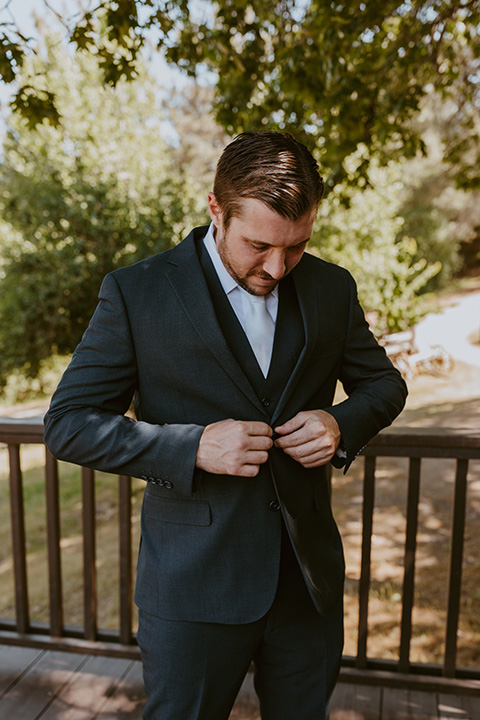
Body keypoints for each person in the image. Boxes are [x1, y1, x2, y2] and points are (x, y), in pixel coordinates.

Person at [44, 131, 407, 720]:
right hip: (192, 586)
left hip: (306, 585)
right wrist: (190, 447)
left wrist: (339, 422)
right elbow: (67, 424)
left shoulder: (331, 287)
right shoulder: (135, 293)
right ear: (216, 207)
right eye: (259, 245)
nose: (278, 267)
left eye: (297, 247)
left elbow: (385, 385)